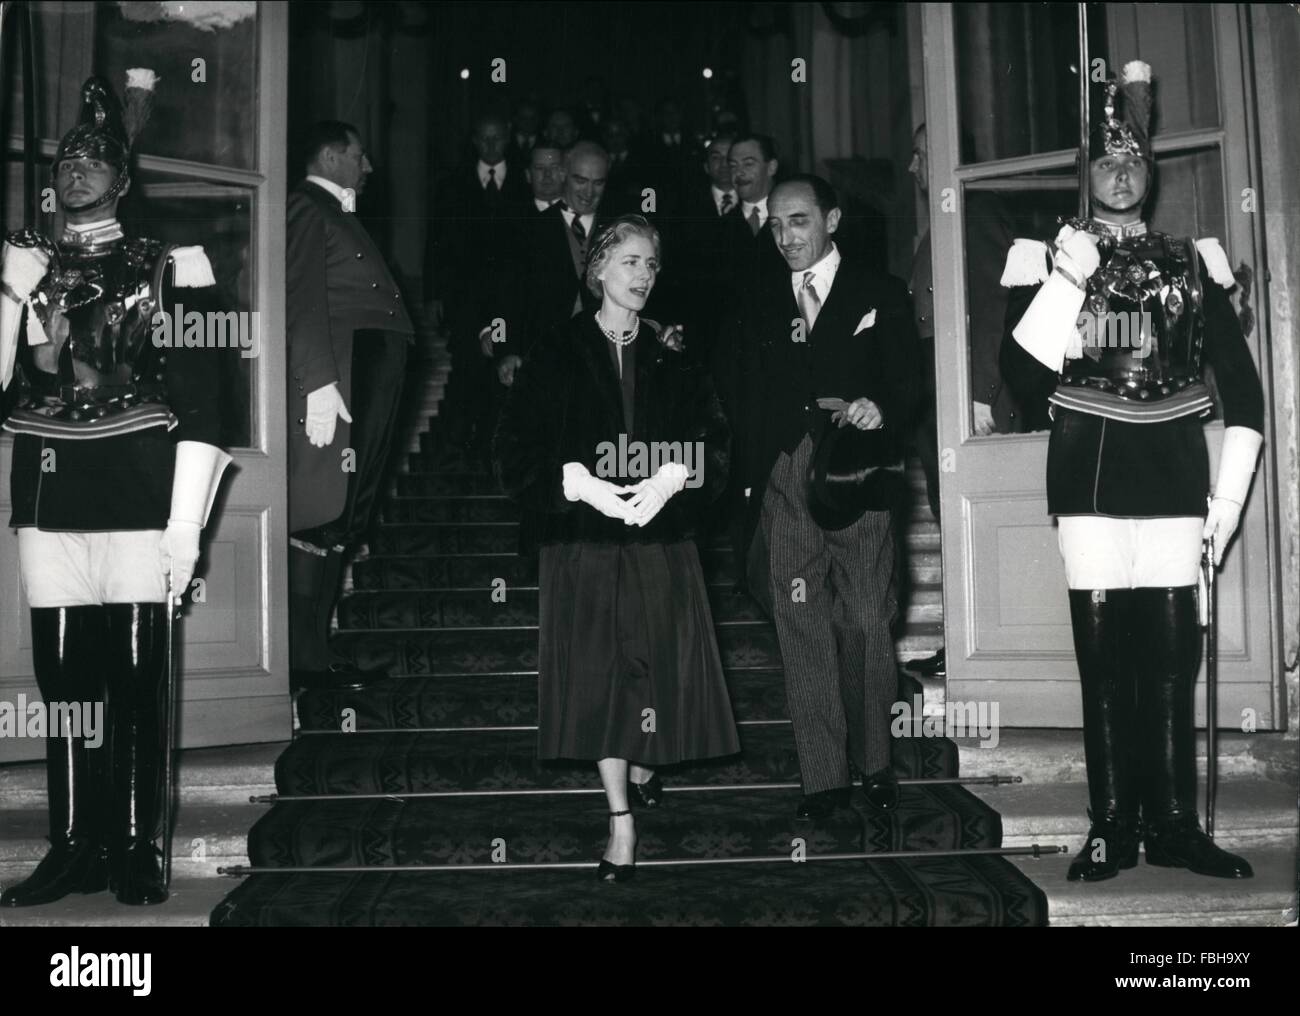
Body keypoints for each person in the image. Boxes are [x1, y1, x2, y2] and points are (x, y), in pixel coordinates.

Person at [1000, 62, 1265, 881]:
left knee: (1172, 659)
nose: (1119, 169)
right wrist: (1069, 278)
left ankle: (1177, 826)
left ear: (1149, 175)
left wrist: (1225, 504)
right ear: (1085, 172)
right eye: (1105, 158)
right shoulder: (1041, 257)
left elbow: (1245, 393)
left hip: (1176, 479)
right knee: (1105, 658)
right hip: (1090, 478)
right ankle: (1111, 824)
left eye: (1133, 158)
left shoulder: (1196, 261)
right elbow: (1021, 382)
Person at [0, 71, 230, 907]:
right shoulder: (23, 264)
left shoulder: (177, 266)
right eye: (66, 157)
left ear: (125, 179)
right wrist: (10, 292)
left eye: (96, 157)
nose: (76, 169)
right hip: (49, 498)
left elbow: (207, 402)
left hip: (137, 491)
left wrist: (184, 527)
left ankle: (138, 841)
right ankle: (73, 843)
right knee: (64, 687)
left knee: (136, 679)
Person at [493, 215, 738, 881]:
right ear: (598, 269)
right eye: (630, 262)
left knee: (659, 675)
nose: (643, 276)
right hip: (586, 545)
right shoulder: (556, 351)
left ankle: (645, 761)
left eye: (652, 265)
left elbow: (715, 444)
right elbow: (514, 452)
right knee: (602, 682)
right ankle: (619, 821)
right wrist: (572, 483)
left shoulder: (674, 357)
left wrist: (674, 474)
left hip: (661, 541)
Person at [736, 175, 919, 821]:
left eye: (799, 221)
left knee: (867, 618)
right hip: (786, 477)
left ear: (832, 220)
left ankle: (874, 763)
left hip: (856, 475)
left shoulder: (880, 292)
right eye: (777, 224)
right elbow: (742, 391)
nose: (786, 236)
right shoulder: (759, 299)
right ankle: (824, 779)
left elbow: (907, 376)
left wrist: (883, 406)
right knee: (801, 620)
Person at [286, 121, 415, 691]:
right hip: (342, 377)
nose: (368, 167)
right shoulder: (307, 206)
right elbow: (298, 294)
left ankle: (315, 651)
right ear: (333, 154)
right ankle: (302, 656)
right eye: (360, 155)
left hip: (368, 372)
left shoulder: (339, 211)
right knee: (320, 511)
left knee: (341, 515)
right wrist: (317, 380)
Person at [904, 122, 1018, 680]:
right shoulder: (945, 220)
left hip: (967, 394)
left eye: (921, 155)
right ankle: (963, 642)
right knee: (954, 518)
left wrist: (982, 395)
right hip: (938, 388)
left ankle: (987, 651)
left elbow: (996, 306)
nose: (913, 168)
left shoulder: (978, 213)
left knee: (975, 522)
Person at [431, 112, 529, 463]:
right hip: (466, 297)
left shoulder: (525, 181)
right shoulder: (452, 183)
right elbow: (437, 242)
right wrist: (436, 295)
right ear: (474, 140)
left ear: (508, 138)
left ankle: (498, 446)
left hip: (511, 293)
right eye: (484, 139)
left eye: (498, 138)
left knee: (503, 365)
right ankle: (466, 445)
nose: (491, 146)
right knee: (469, 366)